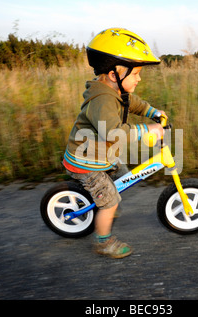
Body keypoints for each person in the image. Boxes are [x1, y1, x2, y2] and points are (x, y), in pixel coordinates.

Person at [63, 28, 166, 259]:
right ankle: (103, 241)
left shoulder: (116, 91)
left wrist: (153, 113)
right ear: (113, 74)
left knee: (122, 175)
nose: (139, 78)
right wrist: (147, 129)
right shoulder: (102, 100)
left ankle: (103, 202)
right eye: (136, 73)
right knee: (110, 201)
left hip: (100, 154)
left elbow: (134, 104)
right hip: (86, 162)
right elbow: (113, 132)